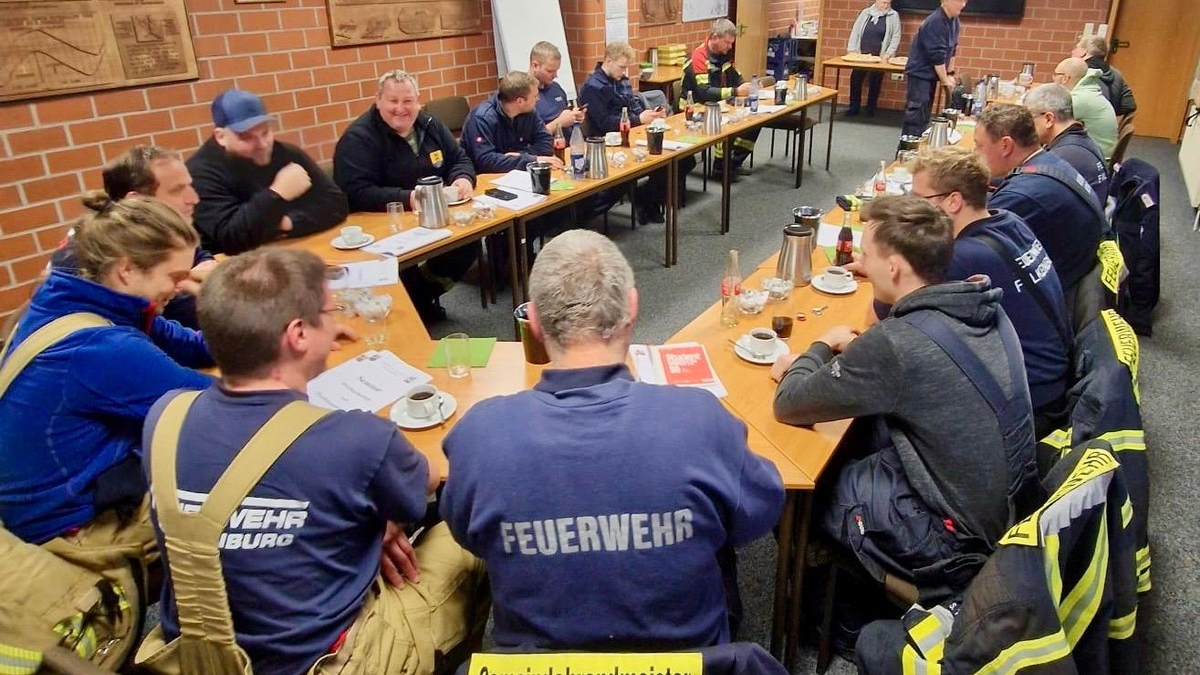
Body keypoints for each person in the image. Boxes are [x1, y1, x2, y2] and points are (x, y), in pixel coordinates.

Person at [139, 248, 487, 675]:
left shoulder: (164, 416)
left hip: (194, 656)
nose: (339, 323)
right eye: (330, 311)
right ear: (299, 334)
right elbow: (429, 479)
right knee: (467, 525)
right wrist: (378, 519)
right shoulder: (355, 438)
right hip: (321, 661)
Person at [440, 229, 784, 650]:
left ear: (532, 321)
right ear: (633, 308)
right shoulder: (700, 418)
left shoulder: (478, 436)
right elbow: (759, 511)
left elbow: (468, 535)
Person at [771, 195, 1040, 597]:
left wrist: (819, 347)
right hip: (1009, 510)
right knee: (862, 432)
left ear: (893, 266)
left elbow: (790, 402)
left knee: (798, 487)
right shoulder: (982, 303)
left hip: (954, 543)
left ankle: (820, 609)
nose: (862, 262)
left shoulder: (898, 342)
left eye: (867, 254)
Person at [0, 194, 214, 547]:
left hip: (49, 495)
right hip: (66, 523)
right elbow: (221, 410)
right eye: (174, 276)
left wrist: (270, 334)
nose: (180, 289)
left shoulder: (71, 298)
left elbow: (190, 344)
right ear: (127, 269)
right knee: (238, 474)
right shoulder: (100, 347)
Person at [909, 146, 1072, 436]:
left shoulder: (963, 256)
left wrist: (881, 262)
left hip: (1028, 401)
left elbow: (891, 313)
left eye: (919, 199)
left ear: (953, 201)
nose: (911, 207)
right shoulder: (1009, 221)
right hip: (1054, 378)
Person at [334, 70, 479, 322]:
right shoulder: (358, 138)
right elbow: (355, 193)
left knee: (467, 245)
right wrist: (411, 198)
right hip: (384, 227)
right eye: (393, 101)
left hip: (434, 219)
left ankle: (420, 300)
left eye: (408, 101)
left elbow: (460, 158)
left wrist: (462, 178)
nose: (401, 109)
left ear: (417, 101)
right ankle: (412, 306)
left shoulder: (430, 124)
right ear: (378, 100)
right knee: (403, 268)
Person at [51, 145, 215, 328]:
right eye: (177, 190)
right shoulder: (104, 246)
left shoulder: (140, 226)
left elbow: (199, 257)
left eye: (189, 186)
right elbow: (190, 315)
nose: (193, 198)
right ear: (136, 199)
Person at [976, 104, 1106, 321]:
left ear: (1006, 145)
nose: (974, 154)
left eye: (978, 146)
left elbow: (974, 245)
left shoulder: (1022, 195)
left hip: (1047, 305)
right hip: (1072, 274)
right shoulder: (1050, 161)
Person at [189, 89, 349, 255]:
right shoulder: (201, 173)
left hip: (297, 250)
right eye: (246, 137)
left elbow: (337, 204)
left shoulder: (286, 153)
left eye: (265, 133)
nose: (262, 144)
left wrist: (287, 223)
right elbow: (230, 239)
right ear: (221, 136)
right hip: (238, 267)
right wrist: (277, 193)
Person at [580, 42, 695, 226]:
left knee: (684, 160)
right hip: (609, 142)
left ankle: (646, 198)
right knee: (629, 176)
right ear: (608, 61)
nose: (624, 72)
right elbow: (604, 123)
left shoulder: (621, 80)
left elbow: (633, 105)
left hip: (634, 134)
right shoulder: (593, 87)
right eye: (622, 67)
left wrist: (650, 114)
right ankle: (645, 201)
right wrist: (638, 119)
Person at [681, 19, 760, 175]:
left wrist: (748, 87)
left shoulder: (722, 54)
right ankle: (720, 167)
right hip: (693, 108)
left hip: (716, 104)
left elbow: (735, 77)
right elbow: (704, 92)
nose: (730, 47)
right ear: (714, 37)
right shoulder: (698, 58)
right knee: (724, 124)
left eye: (731, 43)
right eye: (727, 43)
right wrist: (735, 92)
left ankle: (733, 162)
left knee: (754, 121)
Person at [461, 71, 562, 174]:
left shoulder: (529, 111)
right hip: (485, 178)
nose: (538, 99)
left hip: (517, 174)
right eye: (535, 96)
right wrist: (530, 160)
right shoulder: (482, 118)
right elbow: (485, 160)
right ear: (520, 101)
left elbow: (545, 144)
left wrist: (521, 157)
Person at [1025, 83, 1111, 200]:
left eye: (1029, 119)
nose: (1026, 125)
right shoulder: (1082, 142)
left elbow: (1028, 195)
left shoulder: (1062, 158)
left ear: (1049, 119)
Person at [901, 0, 965, 137]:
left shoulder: (954, 21)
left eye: (965, 1)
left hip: (930, 75)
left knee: (924, 117)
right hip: (920, 75)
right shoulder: (935, 22)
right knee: (916, 117)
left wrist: (950, 74)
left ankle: (918, 152)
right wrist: (944, 80)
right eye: (959, 1)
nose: (963, 5)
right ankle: (907, 152)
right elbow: (937, 56)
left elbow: (952, 50)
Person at [1052, 57, 1118, 159]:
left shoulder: (1079, 99)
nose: (1053, 78)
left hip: (1094, 158)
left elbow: (1048, 120)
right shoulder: (1087, 91)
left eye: (1055, 74)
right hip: (1097, 152)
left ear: (1065, 78)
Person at [846, 0, 901, 117]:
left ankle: (871, 108)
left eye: (887, 3)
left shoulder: (893, 16)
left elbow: (895, 36)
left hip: (880, 57)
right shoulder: (866, 13)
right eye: (883, 2)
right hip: (861, 56)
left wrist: (888, 54)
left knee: (875, 81)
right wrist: (851, 50)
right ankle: (854, 107)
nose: (885, 6)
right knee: (855, 79)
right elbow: (855, 31)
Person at [529, 41, 585, 137]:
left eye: (556, 70)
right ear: (535, 66)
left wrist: (574, 116)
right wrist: (559, 123)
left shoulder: (556, 88)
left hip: (569, 145)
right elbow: (530, 138)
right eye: (550, 71)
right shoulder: (524, 95)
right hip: (545, 149)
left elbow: (566, 118)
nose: (555, 75)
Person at [1072, 35, 1137, 117]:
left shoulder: (1078, 71)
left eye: (1076, 48)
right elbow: (1129, 105)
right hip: (1108, 125)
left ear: (1083, 52)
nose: (1072, 51)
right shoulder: (1116, 73)